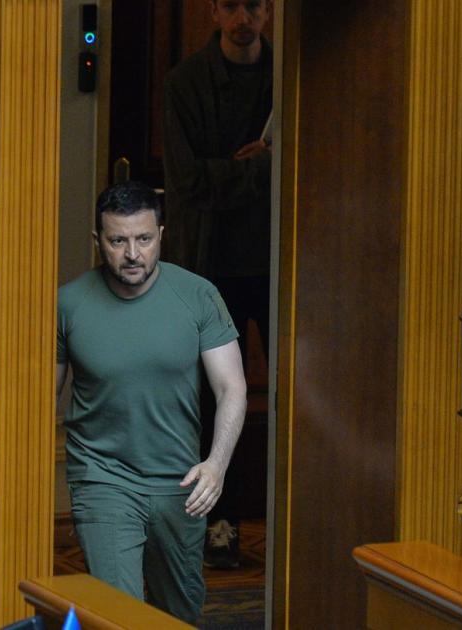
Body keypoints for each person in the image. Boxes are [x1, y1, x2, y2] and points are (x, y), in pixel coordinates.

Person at [55, 181, 247, 623]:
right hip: (101, 478)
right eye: (118, 240)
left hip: (180, 484)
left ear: (161, 233)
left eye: (144, 239)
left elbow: (231, 387)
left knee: (177, 615)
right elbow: (33, 399)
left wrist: (216, 465)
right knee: (115, 615)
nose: (132, 254)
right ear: (98, 241)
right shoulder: (68, 304)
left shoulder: (198, 295)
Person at [162, 0, 273, 570]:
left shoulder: (290, 74)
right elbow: (186, 182)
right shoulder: (185, 82)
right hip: (211, 268)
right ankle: (215, 523)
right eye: (232, 5)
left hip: (283, 266)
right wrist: (257, 169)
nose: (243, 17)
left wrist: (230, 168)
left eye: (255, 4)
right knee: (206, 400)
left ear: (270, 11)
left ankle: (286, 518)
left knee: (297, 397)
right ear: (213, 11)